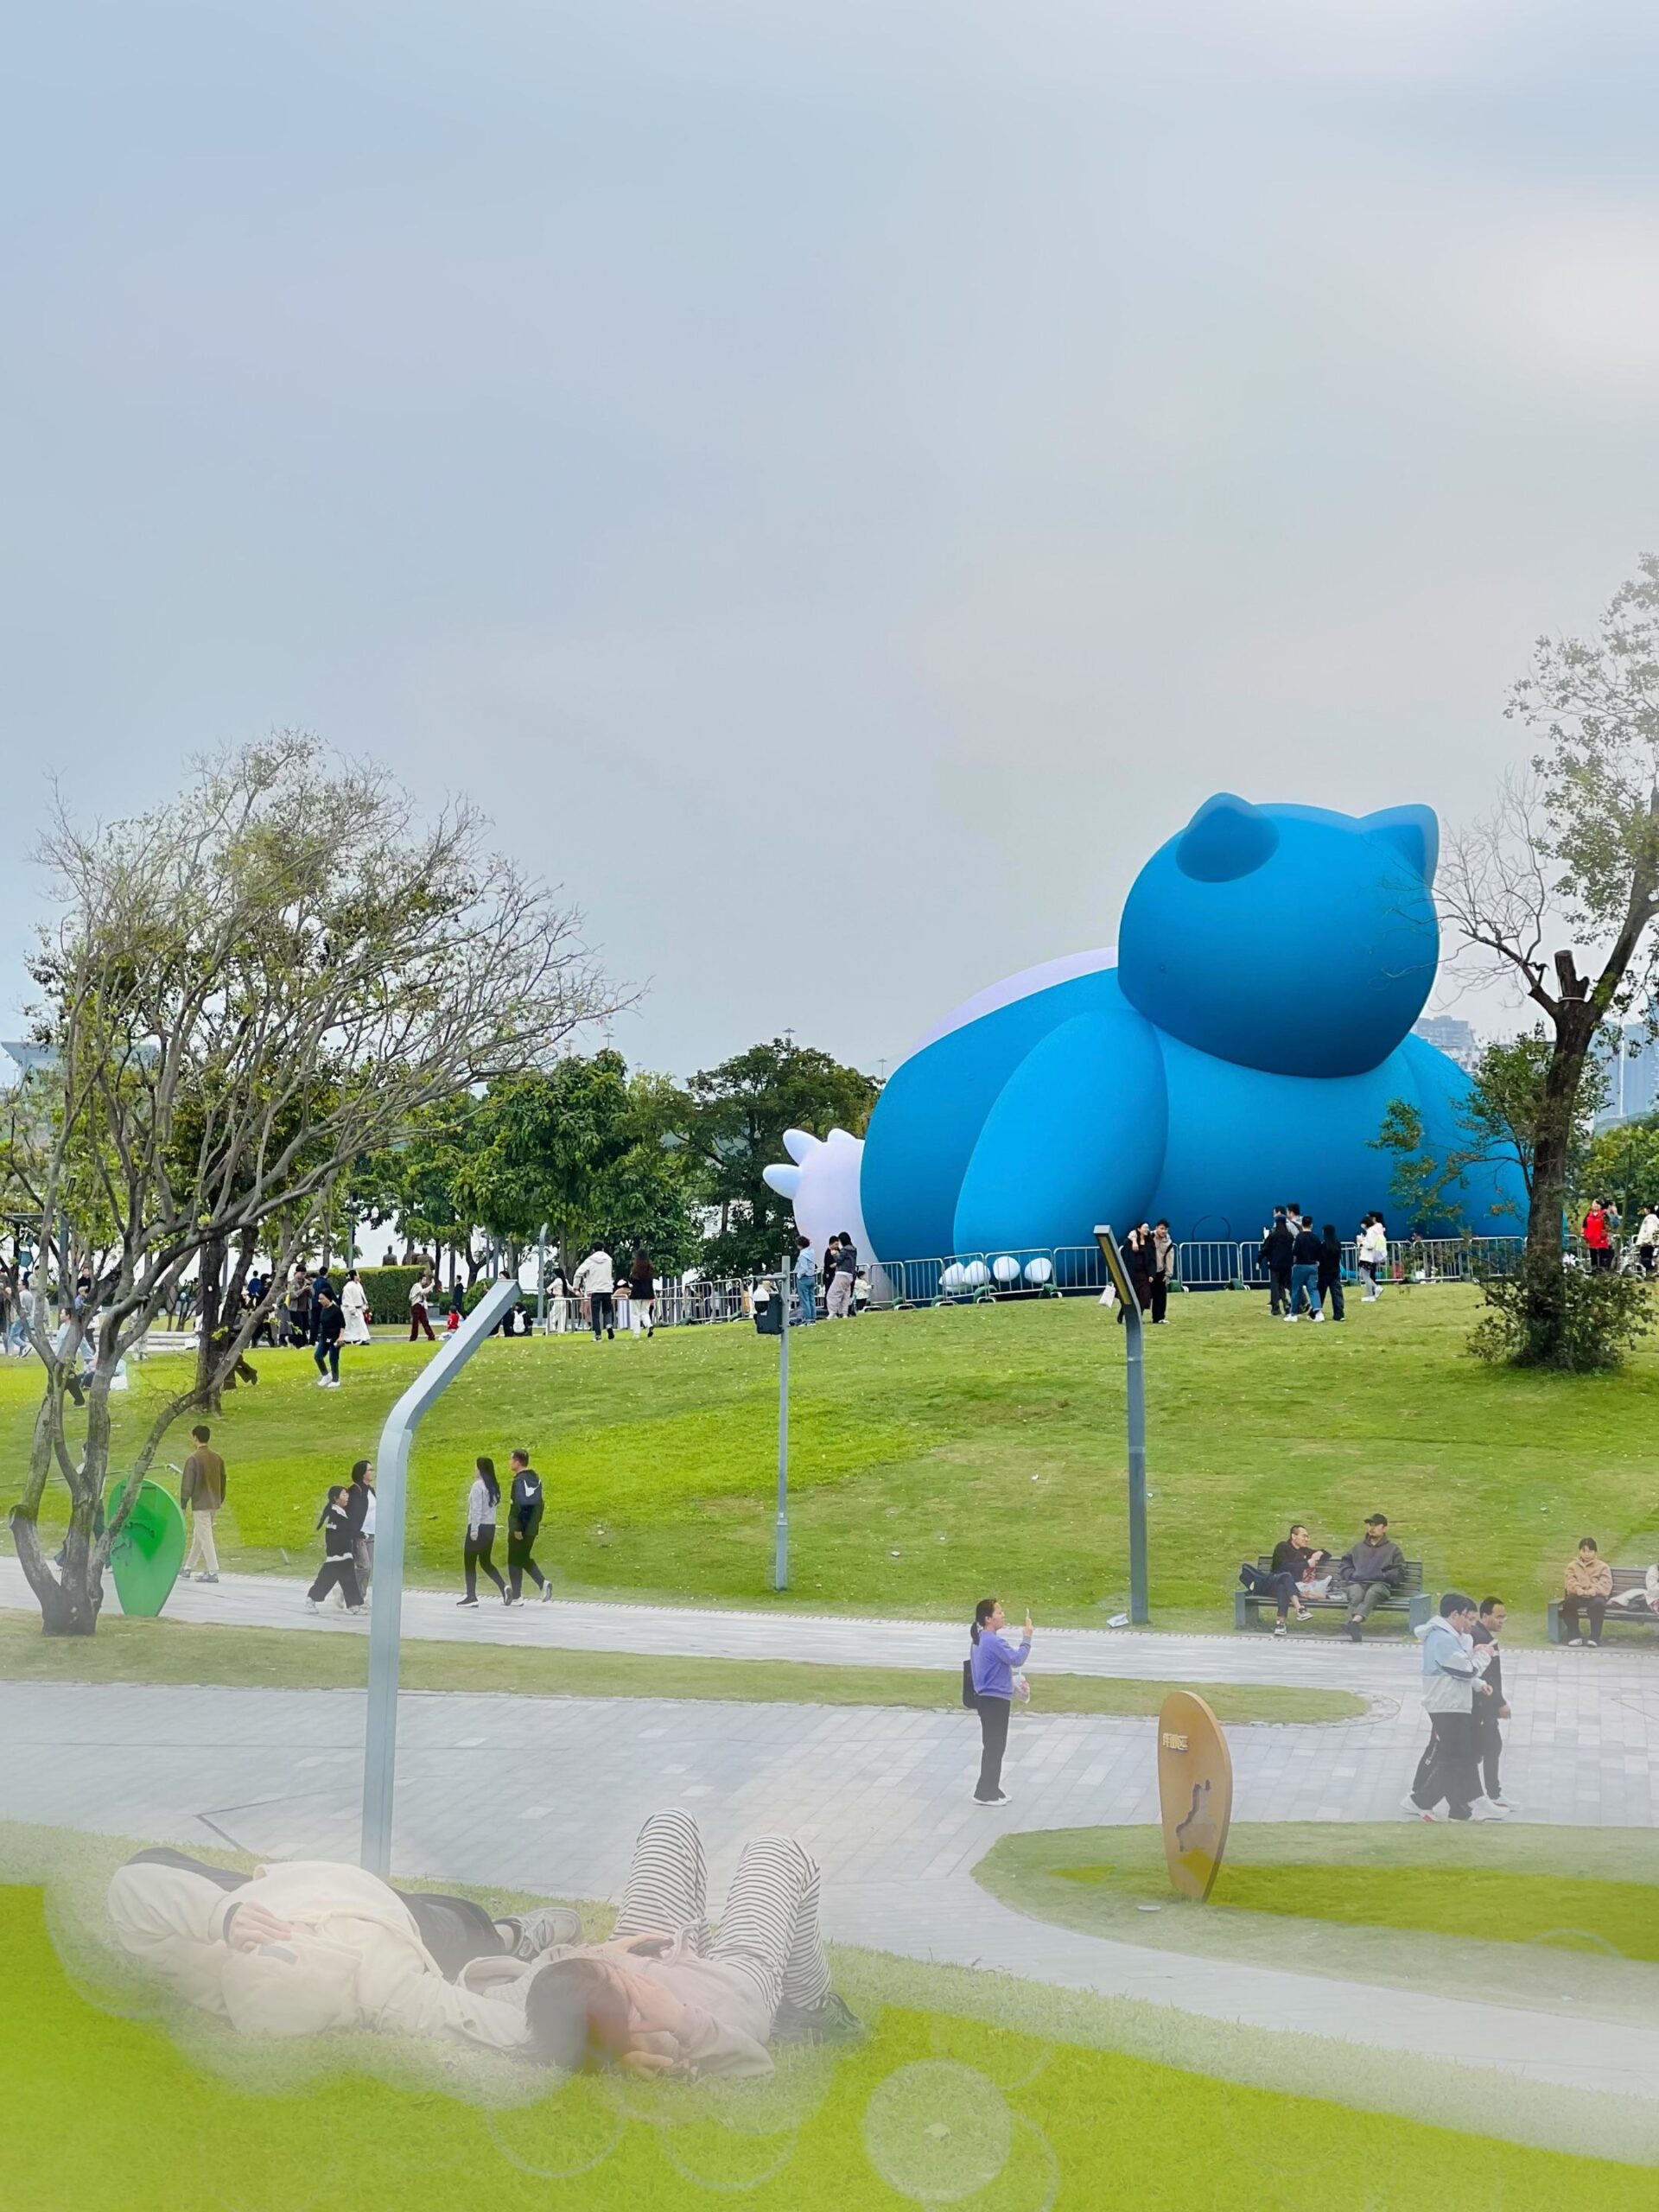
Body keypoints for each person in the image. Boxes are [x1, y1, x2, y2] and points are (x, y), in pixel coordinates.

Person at [105, 1848, 581, 2051]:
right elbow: (480, 2020)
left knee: (149, 1862)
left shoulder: (207, 1953)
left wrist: (221, 1917)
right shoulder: (377, 1986)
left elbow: (131, 1887)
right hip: (399, 1918)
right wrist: (581, 2021)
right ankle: (515, 1934)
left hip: (295, 1886)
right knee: (467, 1925)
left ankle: (501, 1935)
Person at [512, 1809, 858, 2075]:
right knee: (777, 1852)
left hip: (654, 1945)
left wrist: (605, 1952)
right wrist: (680, 2021)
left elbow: (539, 1973)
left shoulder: (560, 2006)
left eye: (609, 1971)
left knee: (669, 1823)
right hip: (735, 1981)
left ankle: (622, 1955)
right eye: (621, 1981)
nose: (619, 1971)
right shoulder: (676, 2037)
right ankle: (807, 2007)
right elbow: (757, 2062)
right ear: (629, 2021)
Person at [1404, 1591, 1500, 1822]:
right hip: (1447, 1704)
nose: (1469, 1622)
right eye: (1466, 1616)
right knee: (1455, 1758)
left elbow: (1459, 1669)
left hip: (1452, 1702)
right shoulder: (1443, 1639)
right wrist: (1485, 1656)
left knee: (1461, 1756)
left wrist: (1478, 1682)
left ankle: (1470, 1801)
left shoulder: (1447, 1637)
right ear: (1454, 1614)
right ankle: (1422, 1800)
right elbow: (1464, 1669)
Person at [968, 1596, 1033, 1806]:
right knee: (995, 1746)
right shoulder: (993, 1641)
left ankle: (992, 1787)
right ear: (988, 1619)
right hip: (994, 1701)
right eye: (999, 1612)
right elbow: (1017, 1659)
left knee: (994, 1745)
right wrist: (1027, 1638)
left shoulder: (980, 1639)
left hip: (987, 1699)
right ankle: (984, 1792)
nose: (1003, 1615)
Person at [1237, 1522, 1329, 1635]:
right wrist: (1306, 1564)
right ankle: (1299, 1609)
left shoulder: (1304, 1551)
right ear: (1293, 1536)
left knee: (1283, 1588)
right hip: (1271, 1584)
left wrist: (1319, 1553)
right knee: (1286, 1575)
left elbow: (1327, 1554)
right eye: (1304, 1536)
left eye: (1308, 1537)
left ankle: (1280, 1625)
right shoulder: (1282, 1547)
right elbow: (1282, 1567)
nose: (1307, 1539)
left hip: (1286, 1589)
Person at [1470, 1597, 1515, 1812]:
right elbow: (1489, 1676)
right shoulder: (1482, 1639)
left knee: (1485, 1749)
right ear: (1485, 1615)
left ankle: (1490, 1793)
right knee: (1489, 1747)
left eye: (1504, 1617)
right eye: (1498, 1616)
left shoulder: (1485, 1636)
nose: (1502, 1620)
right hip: (1482, 1705)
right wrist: (1500, 1702)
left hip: (1485, 1704)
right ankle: (1491, 1794)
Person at [1337, 1513, 1406, 1640]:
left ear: (1384, 1528)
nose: (1372, 1528)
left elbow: (1399, 1571)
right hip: (1359, 1582)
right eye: (1370, 1525)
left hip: (1381, 1585)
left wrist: (1383, 1576)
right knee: (1356, 1593)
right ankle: (1354, 1625)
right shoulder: (1358, 1548)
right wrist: (1352, 1574)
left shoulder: (1392, 1549)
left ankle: (1353, 1622)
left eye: (1376, 1525)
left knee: (1372, 1593)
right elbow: (1345, 1564)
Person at [178, 1424, 227, 1585]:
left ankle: (213, 1571)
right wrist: (220, 1498)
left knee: (205, 1536)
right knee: (199, 1535)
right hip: (214, 1502)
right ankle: (188, 1567)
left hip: (200, 1503)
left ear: (195, 1438)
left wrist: (183, 1502)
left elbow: (187, 1483)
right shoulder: (217, 1458)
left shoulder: (193, 1459)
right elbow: (223, 1480)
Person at [305, 1486, 364, 1612]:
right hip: (336, 1556)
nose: (347, 1497)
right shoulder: (335, 1515)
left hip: (345, 1555)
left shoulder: (342, 1513)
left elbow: (346, 1531)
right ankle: (311, 1599)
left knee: (349, 1580)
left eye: (347, 1494)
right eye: (344, 1494)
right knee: (326, 1580)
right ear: (336, 1499)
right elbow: (335, 1536)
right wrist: (358, 1534)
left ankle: (353, 1606)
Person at [460, 1457, 508, 1606]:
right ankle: (504, 1587)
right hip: (490, 1527)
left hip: (478, 1527)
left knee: (469, 1561)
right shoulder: (493, 1486)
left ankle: (471, 1596)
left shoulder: (477, 1486)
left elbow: (476, 1510)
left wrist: (473, 1530)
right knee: (485, 1561)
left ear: (480, 1469)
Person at [507, 1447, 550, 1603]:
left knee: (514, 1560)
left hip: (520, 1528)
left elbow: (520, 1506)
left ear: (518, 1462)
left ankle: (517, 1596)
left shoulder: (519, 1481)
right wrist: (534, 1524)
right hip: (532, 1528)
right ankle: (542, 1583)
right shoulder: (536, 1480)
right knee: (523, 1557)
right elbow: (540, 1505)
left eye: (511, 1459)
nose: (510, 1462)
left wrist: (518, 1527)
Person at [1562, 1535, 1613, 1646]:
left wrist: (1594, 1590)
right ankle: (1574, 1636)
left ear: (1595, 1552)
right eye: (1584, 1551)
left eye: (1590, 1551)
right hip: (1578, 1595)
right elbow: (1570, 1581)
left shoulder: (1603, 1567)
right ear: (1579, 1551)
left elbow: (1606, 1583)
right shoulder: (1572, 1566)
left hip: (1595, 1596)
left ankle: (1594, 1638)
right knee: (1568, 1603)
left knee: (1599, 1604)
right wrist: (1577, 1589)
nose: (1587, 1554)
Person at [344, 1459, 375, 1599]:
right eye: (370, 1470)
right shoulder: (355, 1491)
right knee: (364, 1567)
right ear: (363, 1473)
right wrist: (355, 1533)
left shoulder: (371, 1491)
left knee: (368, 1569)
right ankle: (347, 1589)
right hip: (359, 1535)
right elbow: (351, 1514)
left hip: (372, 1533)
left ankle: (360, 1597)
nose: (373, 1472)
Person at [573, 1244, 615, 1340]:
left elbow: (578, 1273)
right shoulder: (609, 1260)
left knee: (595, 1314)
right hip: (607, 1289)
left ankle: (598, 1335)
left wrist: (576, 1287)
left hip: (595, 1290)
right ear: (603, 1249)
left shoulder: (590, 1260)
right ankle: (608, 1325)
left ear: (593, 1250)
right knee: (607, 1310)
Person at [1287, 1216, 1324, 1321]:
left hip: (1300, 1266)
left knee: (1296, 1289)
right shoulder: (1315, 1237)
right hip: (1312, 1266)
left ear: (1302, 1224)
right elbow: (1320, 1252)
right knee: (1313, 1289)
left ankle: (1294, 1314)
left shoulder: (1299, 1237)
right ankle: (1318, 1313)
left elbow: (1295, 1251)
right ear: (1311, 1225)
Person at [1259, 1207, 1294, 1316]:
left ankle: (1276, 1309)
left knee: (1275, 1286)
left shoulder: (1273, 1235)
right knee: (1286, 1285)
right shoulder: (1289, 1236)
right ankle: (1288, 1304)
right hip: (1287, 1265)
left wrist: (1259, 1259)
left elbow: (1266, 1249)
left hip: (1275, 1265)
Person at [312, 1286, 344, 1388]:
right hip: (324, 1337)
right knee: (318, 1356)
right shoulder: (323, 1309)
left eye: (322, 1299)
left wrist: (341, 1337)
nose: (320, 1301)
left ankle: (335, 1380)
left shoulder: (336, 1310)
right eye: (319, 1299)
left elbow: (342, 1324)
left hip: (335, 1338)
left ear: (328, 1298)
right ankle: (326, 1375)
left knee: (333, 1358)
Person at [827, 1231, 858, 1319]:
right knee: (846, 1294)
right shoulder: (854, 1250)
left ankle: (832, 1313)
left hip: (841, 1273)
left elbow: (839, 1261)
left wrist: (835, 1254)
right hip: (850, 1274)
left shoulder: (844, 1250)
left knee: (832, 1294)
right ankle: (844, 1313)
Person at [1318, 1223, 1345, 1321]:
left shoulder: (1323, 1245)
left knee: (1320, 1293)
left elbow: (1321, 1259)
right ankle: (1339, 1314)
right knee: (1337, 1293)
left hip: (1323, 1272)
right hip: (1335, 1271)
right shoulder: (1337, 1244)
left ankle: (1316, 1312)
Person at [1148, 1220, 1175, 1323]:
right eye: (1162, 1228)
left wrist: (1168, 1274)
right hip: (1147, 1271)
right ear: (1156, 1228)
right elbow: (1134, 1234)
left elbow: (1170, 1258)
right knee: (1142, 1294)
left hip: (1160, 1271)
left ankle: (1159, 1318)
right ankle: (1134, 1317)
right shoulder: (1148, 1236)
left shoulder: (1168, 1243)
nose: (1163, 1231)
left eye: (1166, 1229)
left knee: (1160, 1296)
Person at [628, 1248, 656, 1338]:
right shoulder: (650, 1268)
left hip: (636, 1293)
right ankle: (649, 1325)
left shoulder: (636, 1268)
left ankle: (636, 1333)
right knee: (644, 1312)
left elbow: (631, 1280)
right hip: (647, 1293)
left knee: (635, 1314)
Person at [340, 1268, 372, 1346]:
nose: (359, 1276)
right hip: (350, 1309)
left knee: (360, 1325)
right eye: (357, 1274)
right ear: (354, 1276)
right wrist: (352, 1310)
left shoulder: (358, 1285)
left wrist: (364, 1306)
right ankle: (349, 1339)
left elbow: (362, 1296)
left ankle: (362, 1338)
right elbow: (348, 1299)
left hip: (358, 1308)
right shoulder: (348, 1287)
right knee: (350, 1326)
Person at [1583, 1198, 1613, 1270]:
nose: (1596, 1205)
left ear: (1601, 1206)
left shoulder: (1604, 1215)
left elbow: (1608, 1227)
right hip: (1591, 1239)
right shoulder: (1588, 1215)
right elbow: (1584, 1226)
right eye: (1594, 1204)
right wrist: (1585, 1235)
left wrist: (1604, 1234)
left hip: (1601, 1239)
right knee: (1593, 1255)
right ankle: (1594, 1268)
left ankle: (1602, 1269)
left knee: (1602, 1255)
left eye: (1598, 1204)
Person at [793, 1237, 817, 1325]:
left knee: (804, 1300)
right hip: (812, 1277)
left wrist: (798, 1275)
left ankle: (807, 1319)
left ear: (800, 1245)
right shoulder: (811, 1252)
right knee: (811, 1299)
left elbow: (804, 1268)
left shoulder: (802, 1255)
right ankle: (813, 1318)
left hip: (804, 1278)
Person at [408, 1270, 436, 1342]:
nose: (425, 1281)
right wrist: (432, 1285)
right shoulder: (416, 1286)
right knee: (415, 1323)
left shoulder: (420, 1286)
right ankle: (413, 1338)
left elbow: (424, 1292)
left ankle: (431, 1336)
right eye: (424, 1280)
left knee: (425, 1321)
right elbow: (423, 1291)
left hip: (421, 1306)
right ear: (420, 1280)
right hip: (416, 1306)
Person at [546, 1262, 570, 1333]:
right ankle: (561, 1331)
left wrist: (551, 1293)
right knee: (562, 1316)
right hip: (563, 1299)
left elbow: (548, 1288)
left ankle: (551, 1329)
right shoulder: (565, 1280)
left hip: (557, 1299)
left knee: (552, 1315)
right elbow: (570, 1288)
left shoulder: (557, 1280)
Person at [1637, 1205, 1659, 1277]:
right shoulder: (1655, 1218)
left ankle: (1652, 1270)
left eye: (1645, 1209)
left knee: (1644, 1259)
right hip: (1651, 1242)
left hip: (1647, 1242)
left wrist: (1648, 1240)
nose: (1644, 1211)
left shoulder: (1650, 1219)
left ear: (1649, 1210)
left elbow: (1650, 1231)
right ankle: (1649, 1275)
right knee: (1648, 1259)